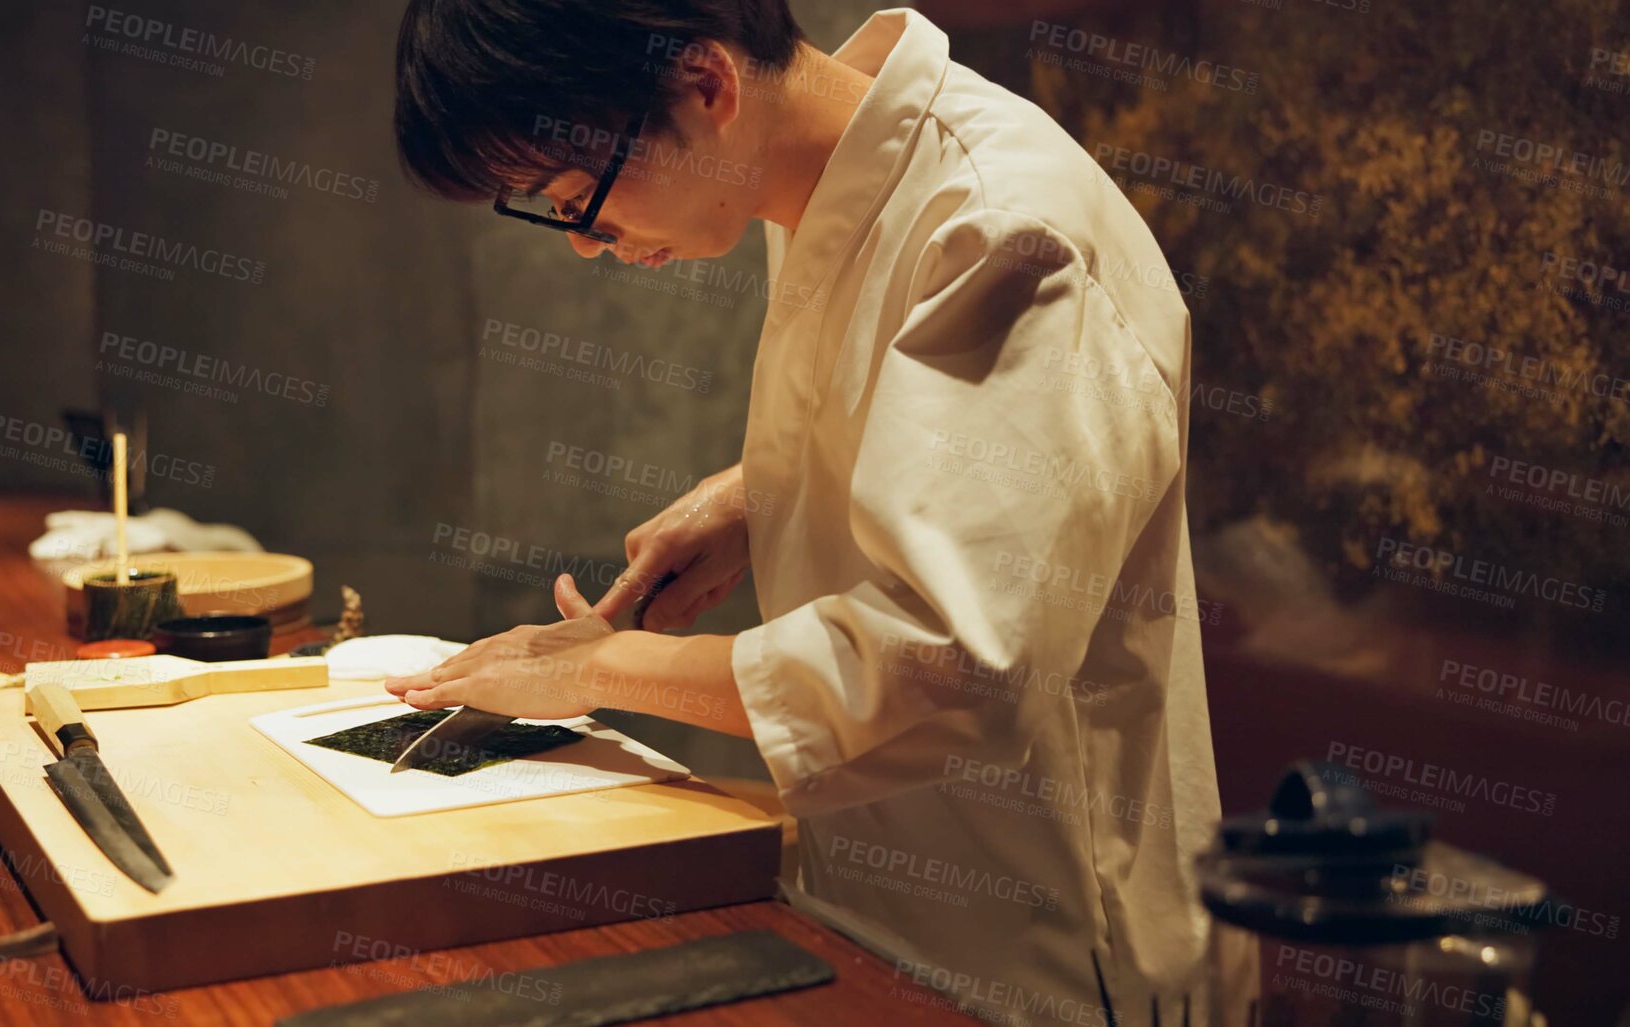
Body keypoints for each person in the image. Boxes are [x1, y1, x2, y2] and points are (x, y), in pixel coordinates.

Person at [386, 2, 1224, 1020]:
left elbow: (952, 661)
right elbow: (977, 453)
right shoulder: (840, 178)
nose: (583, 244)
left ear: (706, 85)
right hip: (875, 899)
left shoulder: (1003, 225)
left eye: (577, 199)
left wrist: (595, 665)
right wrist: (757, 492)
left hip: (1039, 951)